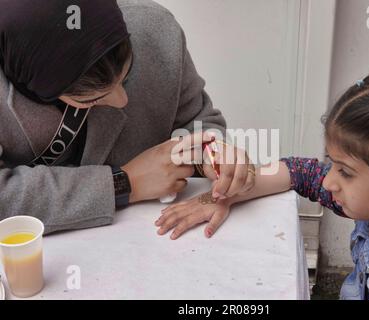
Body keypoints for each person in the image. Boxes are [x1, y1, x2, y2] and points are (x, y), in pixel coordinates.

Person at [157, 73, 369, 300]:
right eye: (332, 163)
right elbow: (298, 172)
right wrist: (226, 193)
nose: (328, 181)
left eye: (346, 172)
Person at [0, 0, 254, 234]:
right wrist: (123, 183)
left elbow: (199, 121)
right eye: (90, 98)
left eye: (127, 73)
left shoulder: (157, 32)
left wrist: (212, 154)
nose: (122, 100)